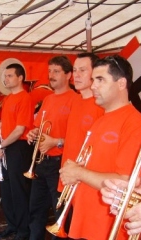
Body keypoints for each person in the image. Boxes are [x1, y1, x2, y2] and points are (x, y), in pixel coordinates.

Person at [59, 55, 141, 240]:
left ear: (121, 83)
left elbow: (125, 182)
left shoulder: (136, 124)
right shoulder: (100, 121)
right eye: (93, 80)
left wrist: (78, 173)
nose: (93, 86)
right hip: (86, 221)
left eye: (100, 80)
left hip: (108, 229)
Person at [27, 56, 78, 240]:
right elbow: (39, 126)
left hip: (60, 164)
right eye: (49, 71)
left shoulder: (76, 100)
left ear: (69, 75)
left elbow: (78, 138)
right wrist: (34, 133)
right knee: (36, 209)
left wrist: (55, 141)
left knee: (60, 214)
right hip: (42, 162)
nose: (51, 75)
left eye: (56, 71)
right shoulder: (47, 99)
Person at [56, 53, 104, 236]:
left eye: (82, 70)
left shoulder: (101, 105)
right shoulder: (75, 100)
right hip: (67, 177)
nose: (76, 75)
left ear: (95, 73)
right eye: (75, 70)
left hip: (85, 182)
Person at [0, 63, 34, 240]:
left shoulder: (25, 98)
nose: (5, 78)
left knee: (18, 190)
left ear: (20, 78)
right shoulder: (8, 98)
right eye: (5, 76)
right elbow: (2, 125)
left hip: (18, 148)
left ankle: (23, 230)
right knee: (6, 190)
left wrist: (2, 146)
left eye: (10, 75)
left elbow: (19, 130)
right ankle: (12, 225)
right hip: (6, 146)